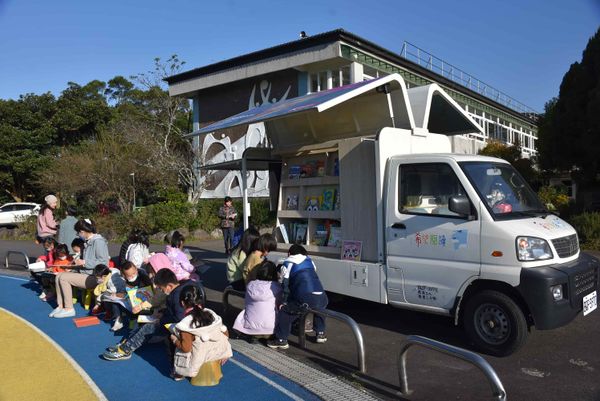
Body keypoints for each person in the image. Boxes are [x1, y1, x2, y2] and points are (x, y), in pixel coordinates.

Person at [102, 268, 202, 361]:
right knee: (147, 322)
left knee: (148, 327)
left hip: (186, 325)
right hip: (196, 319)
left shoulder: (175, 296)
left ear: (169, 286)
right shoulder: (185, 285)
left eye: (161, 289)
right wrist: (163, 313)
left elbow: (179, 318)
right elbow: (177, 311)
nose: (162, 291)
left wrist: (161, 320)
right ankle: (127, 342)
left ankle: (125, 350)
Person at [267, 245, 328, 349]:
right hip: (321, 295)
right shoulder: (310, 262)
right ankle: (320, 333)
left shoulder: (288, 263)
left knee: (285, 312)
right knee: (319, 309)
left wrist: (284, 303)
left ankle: (281, 340)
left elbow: (285, 285)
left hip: (304, 297)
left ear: (289, 254)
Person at [49, 218, 110, 318]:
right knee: (59, 275)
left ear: (82, 231)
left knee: (64, 278)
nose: (78, 235)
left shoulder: (98, 242)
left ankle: (69, 308)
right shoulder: (88, 242)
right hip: (86, 274)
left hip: (95, 277)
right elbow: (84, 264)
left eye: (78, 233)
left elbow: (104, 263)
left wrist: (84, 262)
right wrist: (72, 268)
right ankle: (61, 306)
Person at [171, 285, 232, 381]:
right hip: (217, 354)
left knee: (174, 337)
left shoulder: (186, 324)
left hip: (197, 360)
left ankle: (179, 373)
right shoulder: (212, 314)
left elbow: (186, 348)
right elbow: (225, 333)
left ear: (182, 303)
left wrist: (175, 340)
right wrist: (224, 352)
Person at [233, 260, 282, 342]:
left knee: (245, 311)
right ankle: (268, 336)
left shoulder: (250, 285)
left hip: (250, 328)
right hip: (270, 328)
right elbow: (279, 305)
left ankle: (254, 337)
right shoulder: (276, 287)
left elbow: (247, 303)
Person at [106, 261, 152, 331]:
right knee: (115, 302)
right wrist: (118, 295)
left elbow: (151, 290)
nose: (133, 276)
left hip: (145, 302)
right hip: (133, 302)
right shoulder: (126, 281)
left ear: (136, 269)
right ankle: (119, 320)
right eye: (129, 276)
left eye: (134, 273)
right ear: (124, 276)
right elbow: (127, 292)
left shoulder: (143, 276)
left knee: (137, 313)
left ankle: (136, 324)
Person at [226, 226, 260, 291]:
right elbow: (245, 271)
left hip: (240, 279)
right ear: (251, 242)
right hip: (236, 281)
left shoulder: (242, 250)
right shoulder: (241, 253)